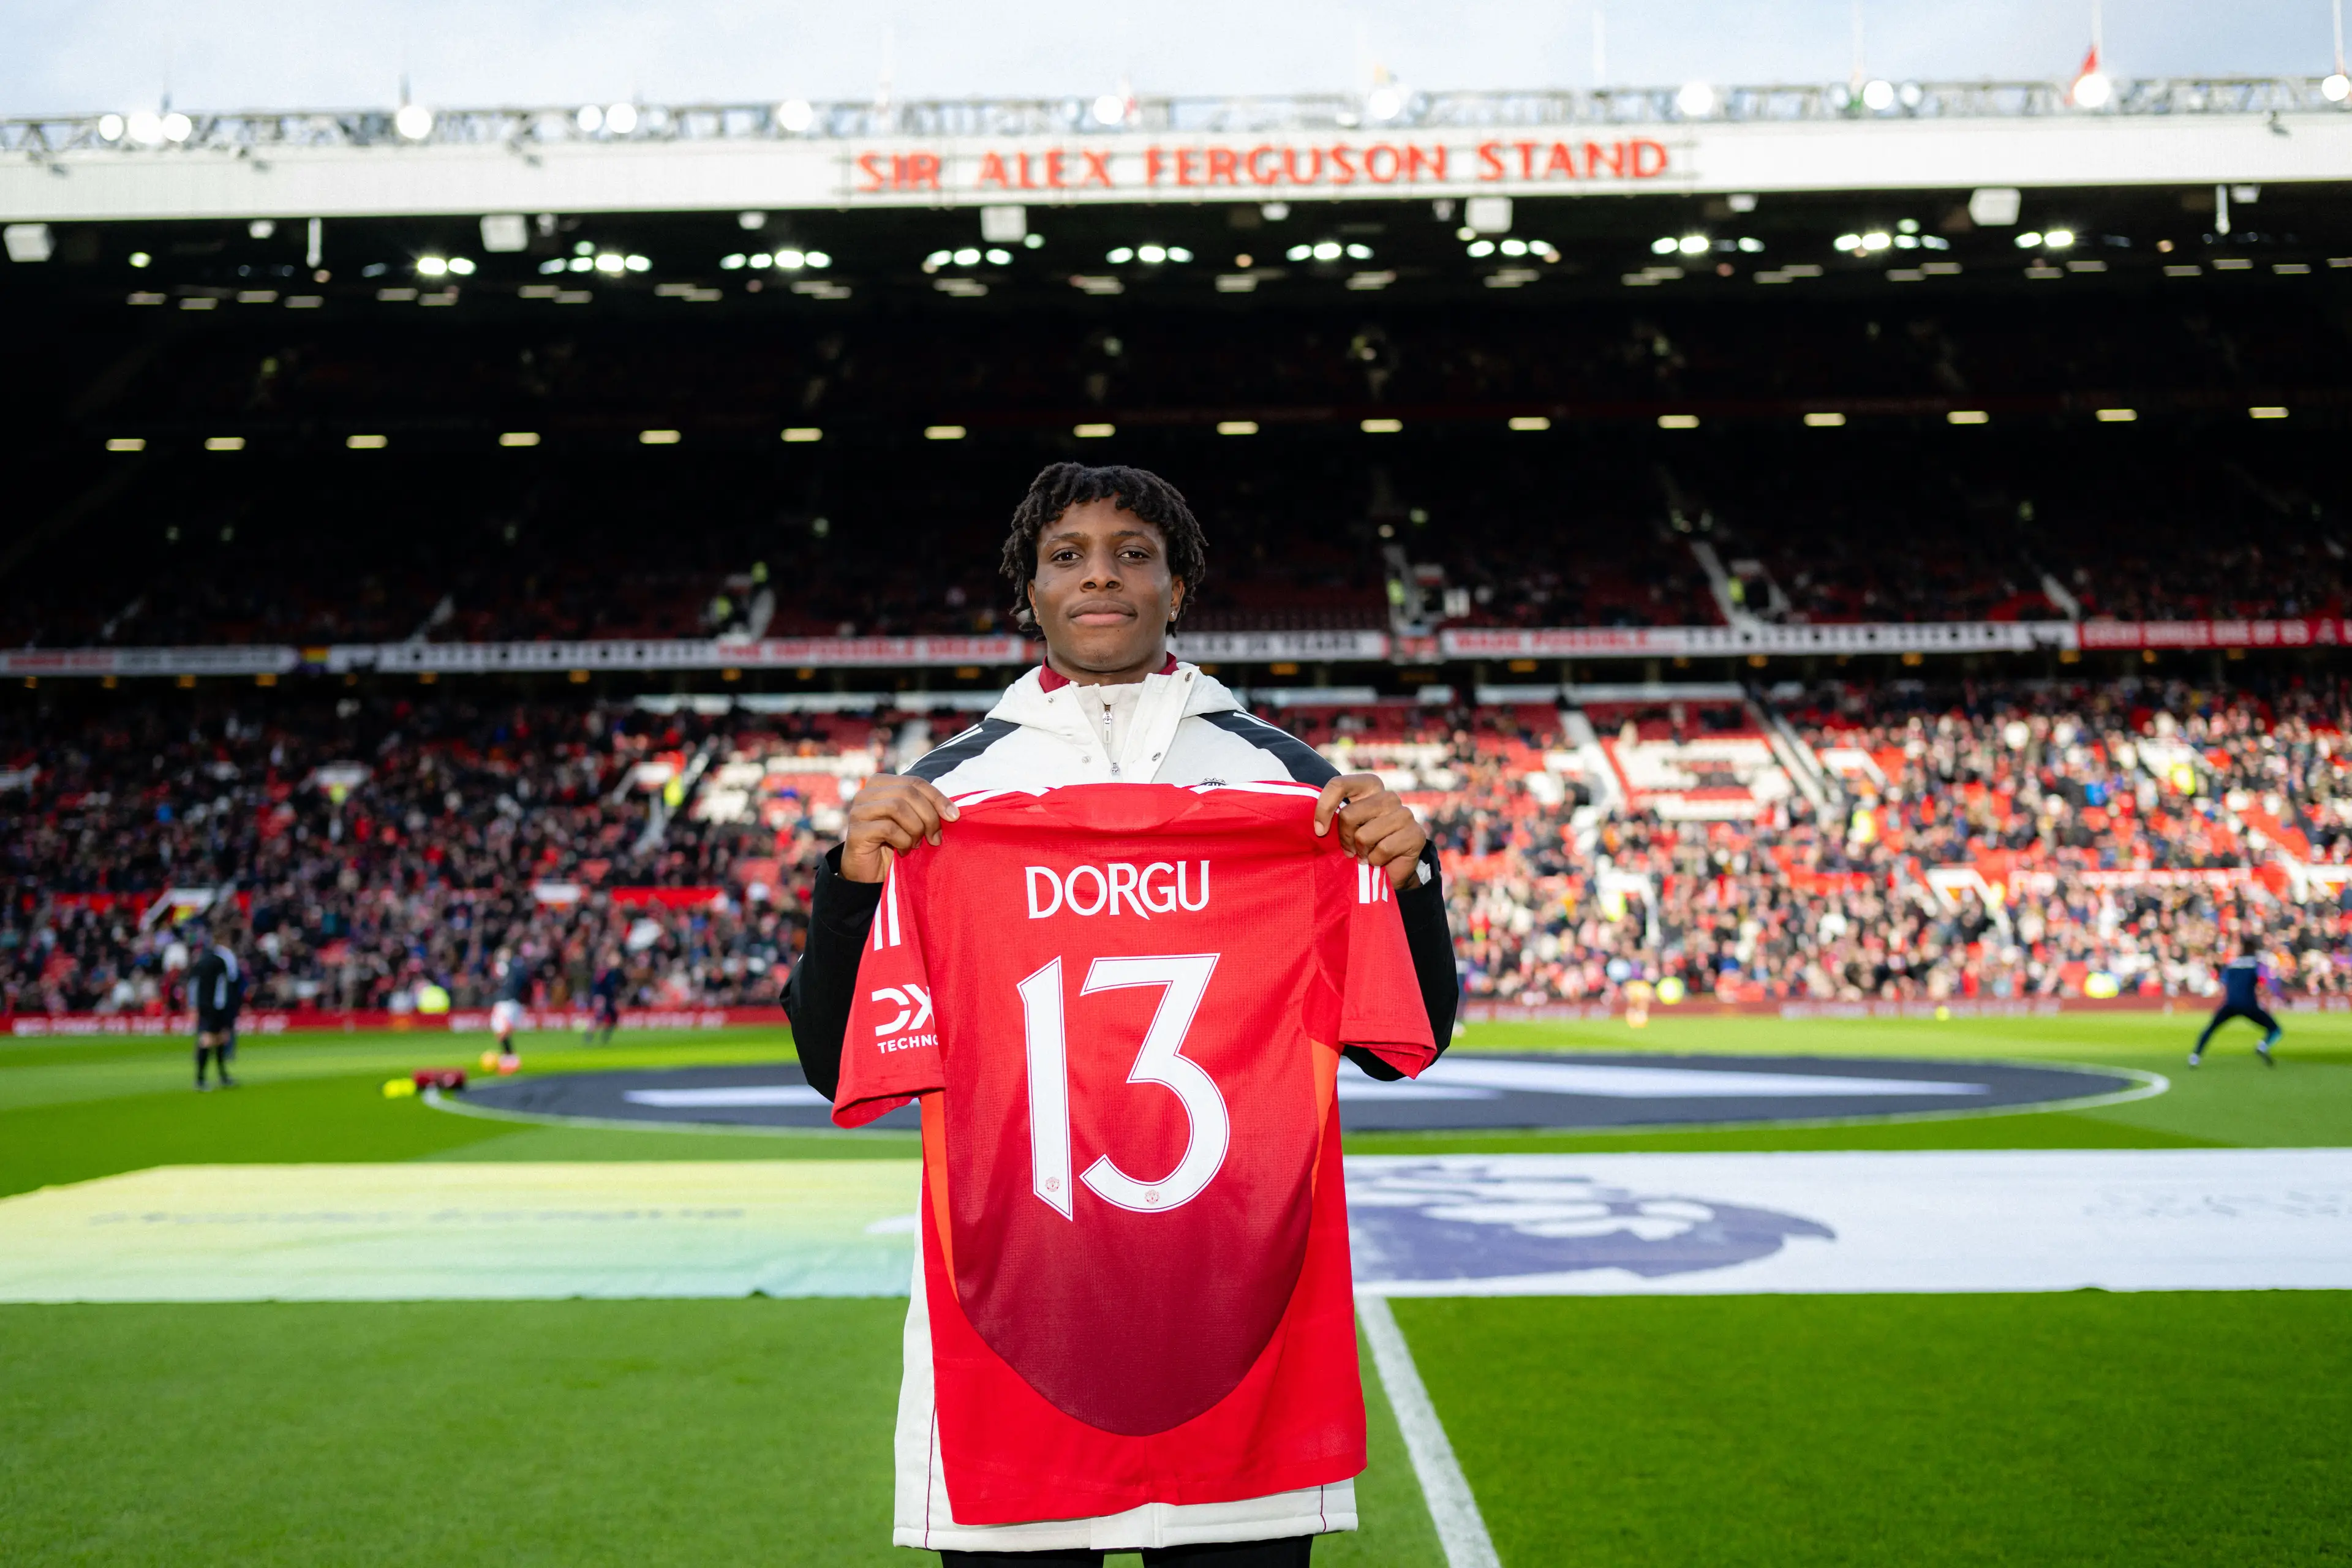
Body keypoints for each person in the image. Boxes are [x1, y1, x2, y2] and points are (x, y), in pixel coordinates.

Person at [785, 462, 1457, 1566]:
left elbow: (1403, 1044)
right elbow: (833, 1062)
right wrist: (850, 886)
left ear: (1178, 585)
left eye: (1133, 552)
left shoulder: (1291, 790)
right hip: (1015, 1335)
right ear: (1031, 591)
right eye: (1068, 556)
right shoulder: (947, 799)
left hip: (1240, 1340)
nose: (1101, 576)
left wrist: (1414, 882)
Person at [2190, 940, 2281, 1067]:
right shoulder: (2256, 964)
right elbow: (2264, 984)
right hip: (2249, 1005)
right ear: (2254, 950)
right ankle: (2263, 1046)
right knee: (2275, 1029)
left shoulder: (2232, 964)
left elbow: (2224, 982)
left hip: (2230, 1004)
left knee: (2211, 1028)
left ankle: (2195, 1056)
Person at [187, 925, 243, 1091]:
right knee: (212, 1039)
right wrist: (224, 1009)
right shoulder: (223, 961)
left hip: (204, 1005)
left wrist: (193, 1005)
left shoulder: (203, 959)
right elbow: (224, 987)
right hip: (216, 1007)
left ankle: (220, 1076)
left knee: (216, 1039)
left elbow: (193, 983)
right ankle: (202, 1079)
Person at [484, 946, 531, 1072]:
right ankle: (509, 1057)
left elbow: (497, 978)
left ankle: (510, 1059)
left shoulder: (505, 966)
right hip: (512, 1002)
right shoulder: (519, 966)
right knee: (502, 1031)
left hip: (506, 1002)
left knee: (501, 1030)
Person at [584, 949, 624, 1045]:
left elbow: (614, 986)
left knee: (614, 1018)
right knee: (599, 1016)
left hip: (609, 997)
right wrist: (598, 998)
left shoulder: (611, 972)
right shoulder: (603, 972)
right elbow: (598, 986)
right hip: (602, 997)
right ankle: (589, 1034)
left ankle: (604, 1037)